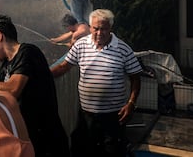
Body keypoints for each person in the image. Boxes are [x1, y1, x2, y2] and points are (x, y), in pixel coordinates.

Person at [51, 9, 142, 156]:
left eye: (104, 29)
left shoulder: (123, 49)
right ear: (90, 27)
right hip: (87, 116)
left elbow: (135, 78)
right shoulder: (81, 45)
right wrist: (41, 75)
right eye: (96, 28)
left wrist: (131, 103)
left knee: (112, 152)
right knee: (84, 150)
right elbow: (64, 67)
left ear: (110, 28)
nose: (99, 33)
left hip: (114, 117)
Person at [0, 15, 70, 157]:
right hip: (29, 139)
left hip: (47, 139)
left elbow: (13, 89)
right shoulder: (4, 64)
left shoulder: (28, 52)